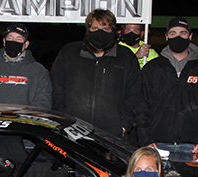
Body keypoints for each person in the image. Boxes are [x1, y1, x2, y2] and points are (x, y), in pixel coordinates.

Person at [50, 9, 142, 142]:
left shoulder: (126, 57)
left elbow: (135, 93)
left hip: (112, 137)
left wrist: (123, 125)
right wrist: (64, 120)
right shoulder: (69, 53)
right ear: (88, 30)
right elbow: (56, 88)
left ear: (114, 31)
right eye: (95, 28)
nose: (100, 33)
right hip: (73, 134)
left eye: (105, 29)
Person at [139, 17, 198, 154]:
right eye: (173, 33)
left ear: (190, 36)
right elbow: (141, 107)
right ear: (166, 37)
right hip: (157, 145)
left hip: (193, 147)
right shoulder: (153, 68)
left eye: (183, 33)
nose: (178, 37)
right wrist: (146, 140)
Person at [0, 23, 51, 109]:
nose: (13, 42)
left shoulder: (39, 71)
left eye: (19, 39)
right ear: (4, 41)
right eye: (10, 38)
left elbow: (43, 103)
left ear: (26, 44)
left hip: (24, 121)